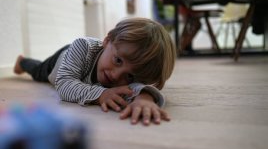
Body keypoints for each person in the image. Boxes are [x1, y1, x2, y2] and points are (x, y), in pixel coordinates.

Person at [14, 17, 176, 126]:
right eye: (117, 60)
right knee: (37, 71)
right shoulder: (82, 46)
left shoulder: (126, 67)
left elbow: (135, 88)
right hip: (61, 62)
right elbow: (64, 85)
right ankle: (22, 62)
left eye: (129, 76)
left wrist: (145, 98)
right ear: (107, 40)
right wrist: (100, 94)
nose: (115, 75)